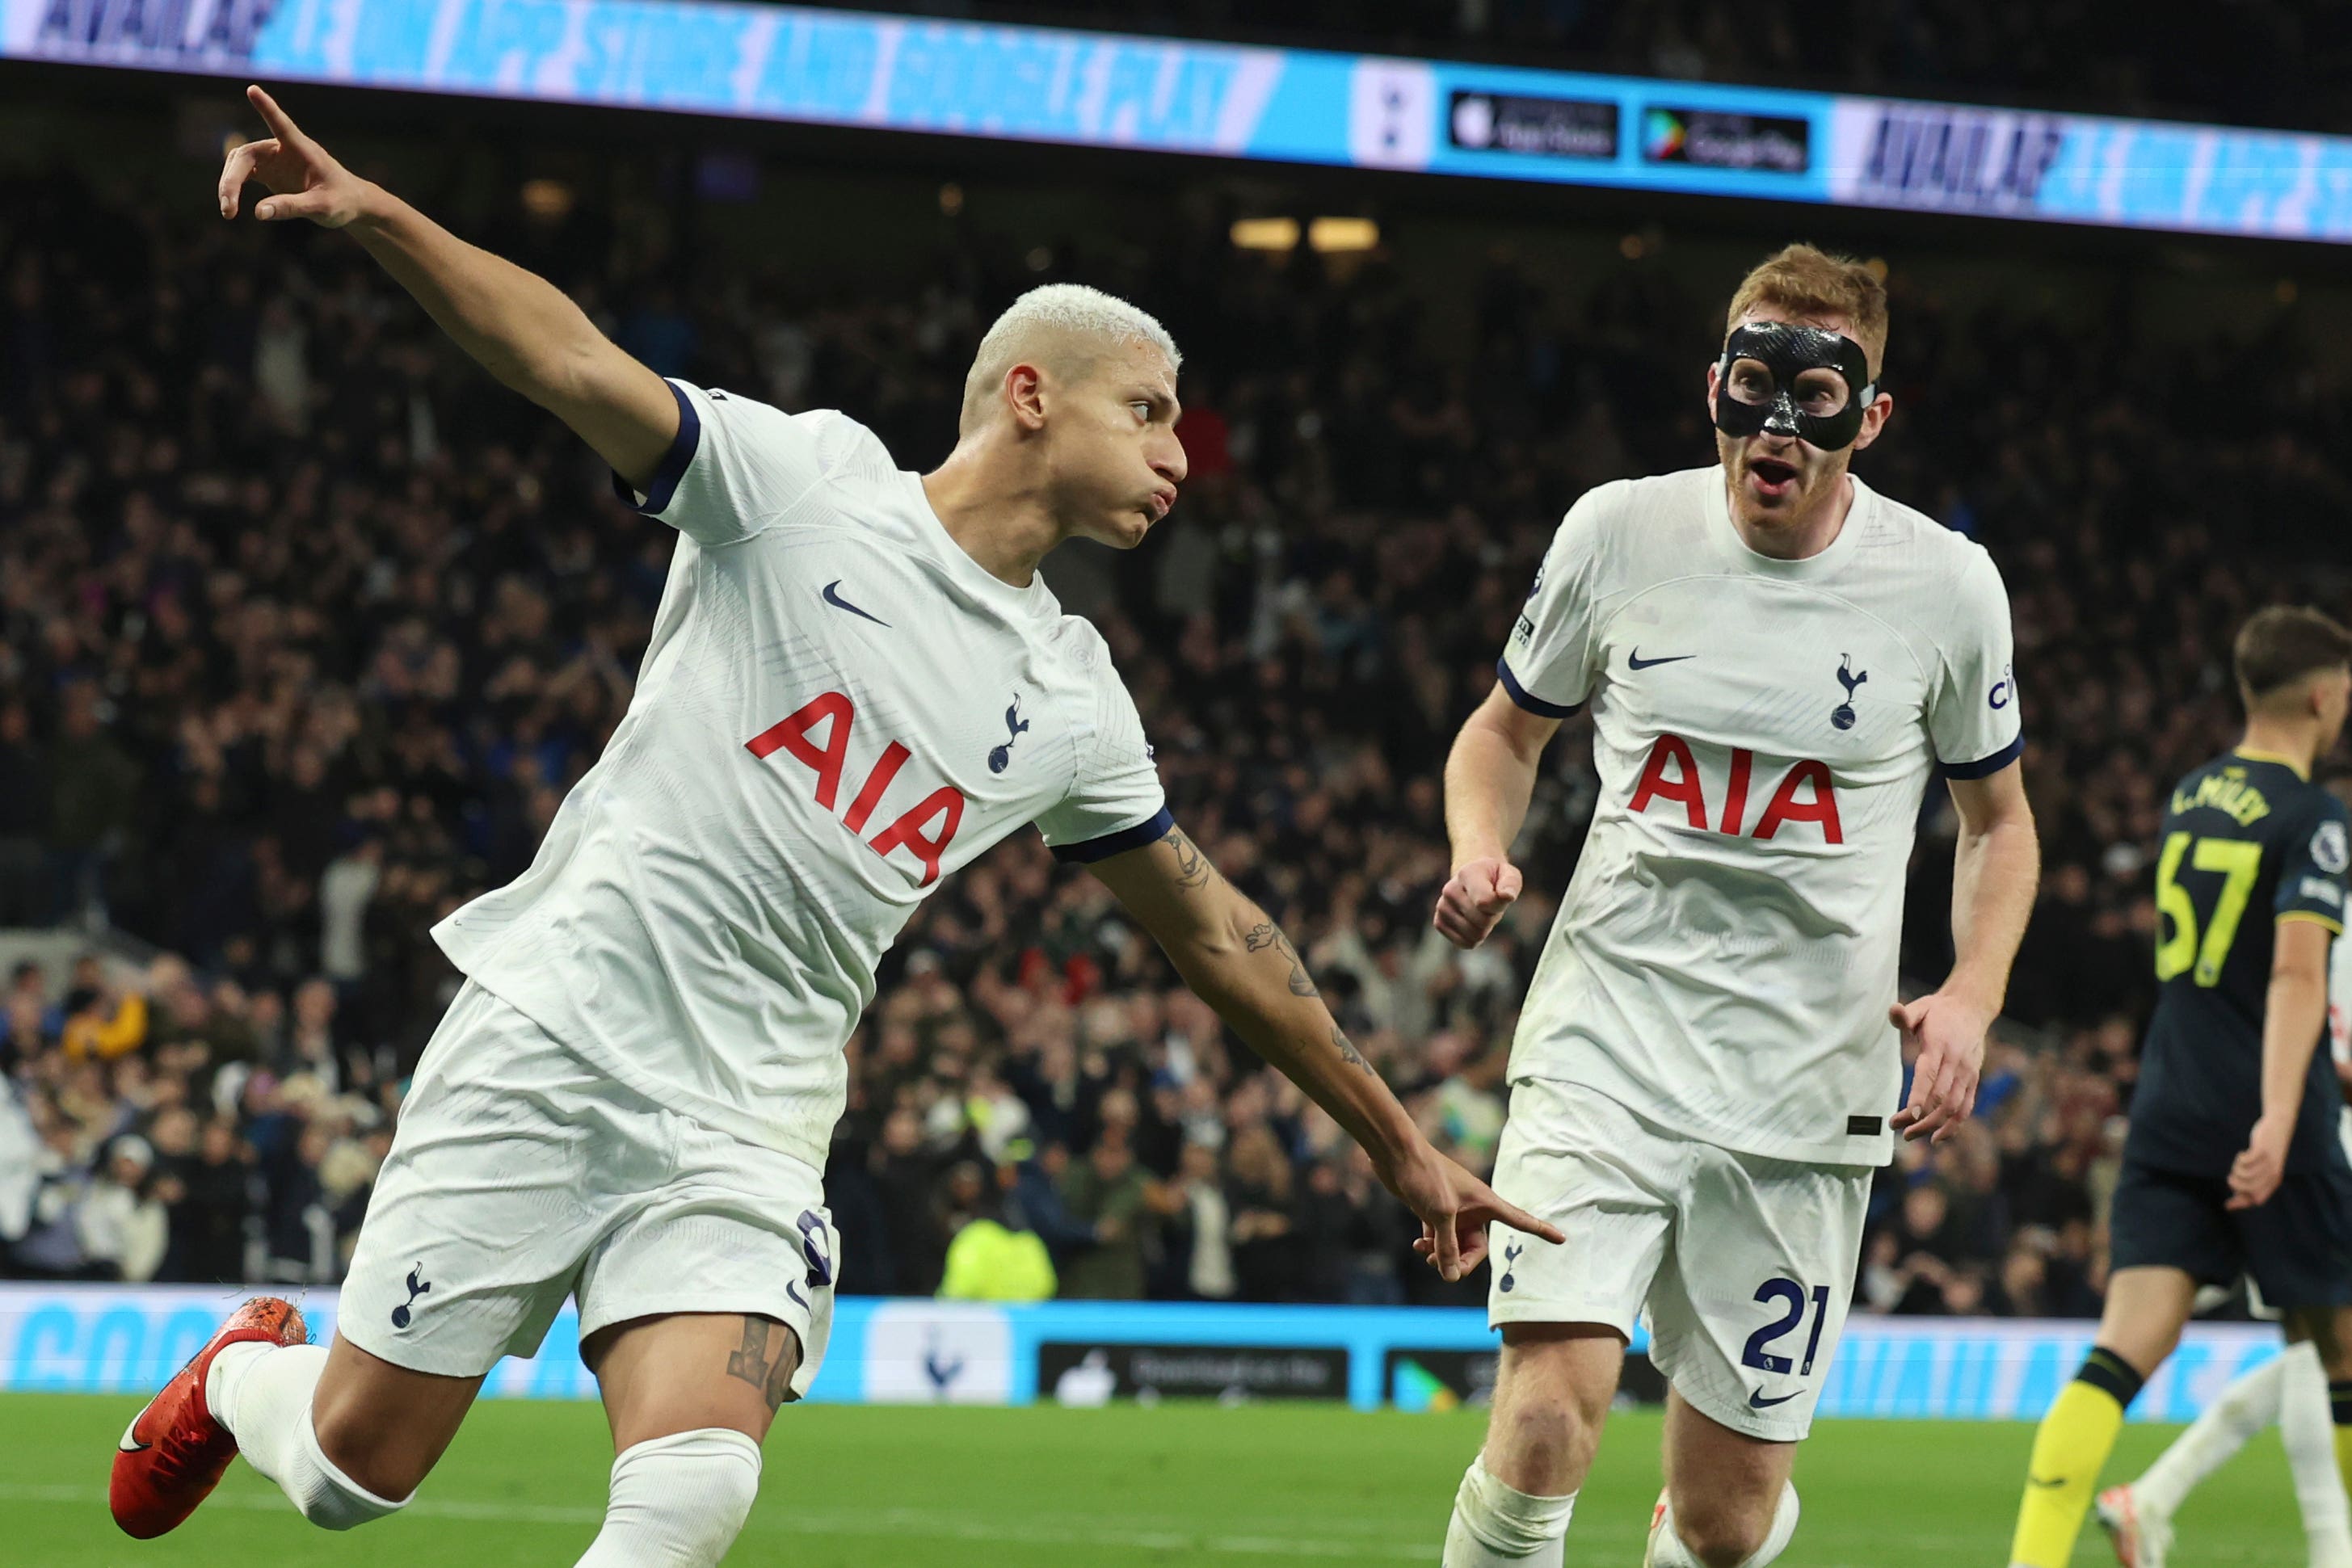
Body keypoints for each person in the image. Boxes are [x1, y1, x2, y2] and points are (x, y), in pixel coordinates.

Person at [109, 85, 1559, 1565]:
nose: (1182, 455)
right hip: (555, 1030)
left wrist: (1396, 1140)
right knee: (356, 1471)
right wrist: (380, 219)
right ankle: (240, 1372)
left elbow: (1216, 931)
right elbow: (564, 357)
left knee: (692, 1493)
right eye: (1150, 412)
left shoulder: (1071, 695)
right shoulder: (802, 487)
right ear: (1030, 394)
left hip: (750, 1114)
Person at [1430, 243, 2039, 1568]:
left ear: (1868, 418)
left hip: (1806, 1090)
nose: (1775, 424)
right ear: (1713, 383)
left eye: (1812, 395)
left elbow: (1998, 824)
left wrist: (1970, 997)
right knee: (1543, 1425)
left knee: (1725, 1526)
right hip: (1608, 1046)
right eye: (1751, 382)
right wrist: (1479, 844)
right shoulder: (1617, 533)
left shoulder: (1944, 588)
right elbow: (1500, 734)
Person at [2006, 606, 2352, 1568]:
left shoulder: (2192, 794)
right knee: (2341, 1353)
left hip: (2168, 1105)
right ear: (2323, 696)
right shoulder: (2315, 817)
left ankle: (2031, 1559)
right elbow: (2293, 975)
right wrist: (2282, 1119)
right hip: (2266, 1111)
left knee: (2121, 1352)